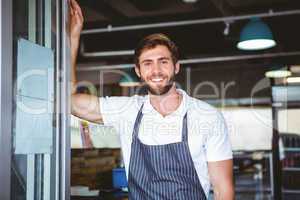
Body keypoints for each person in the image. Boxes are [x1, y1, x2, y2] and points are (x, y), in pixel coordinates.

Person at [69, 0, 234, 199]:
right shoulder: (127, 111)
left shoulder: (207, 116)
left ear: (176, 67)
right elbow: (71, 102)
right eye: (147, 63)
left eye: (163, 62)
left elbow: (223, 190)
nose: (156, 71)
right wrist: (73, 37)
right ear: (139, 71)